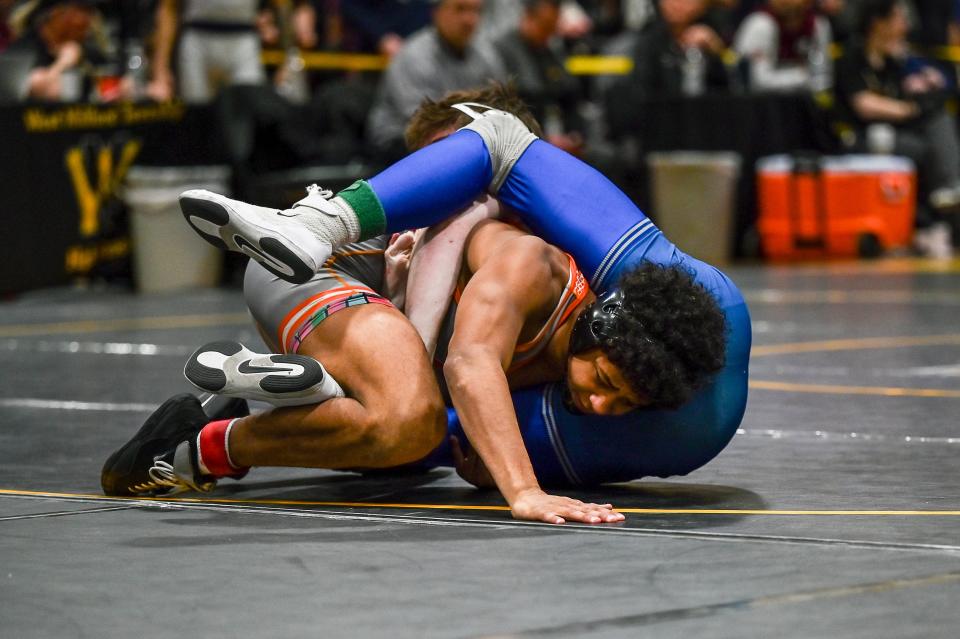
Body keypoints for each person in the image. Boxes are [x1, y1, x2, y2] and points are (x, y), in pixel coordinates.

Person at [102, 86, 750, 524]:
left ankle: (215, 435)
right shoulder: (531, 263)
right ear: (594, 331)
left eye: (623, 404)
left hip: (373, 318)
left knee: (407, 434)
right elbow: (470, 365)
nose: (604, 406)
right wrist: (522, 488)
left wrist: (490, 460)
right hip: (311, 276)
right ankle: (279, 385)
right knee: (413, 414)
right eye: (607, 382)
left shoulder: (572, 273)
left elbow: (470, 416)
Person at [834, 0, 960, 257]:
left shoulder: (894, 60)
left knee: (937, 119)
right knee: (918, 150)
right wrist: (906, 110)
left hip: (894, 130)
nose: (905, 25)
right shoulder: (852, 56)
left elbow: (924, 86)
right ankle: (928, 216)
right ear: (879, 23)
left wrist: (920, 81)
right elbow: (863, 104)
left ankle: (948, 190)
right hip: (859, 136)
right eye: (898, 19)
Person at [364, 0, 504, 159]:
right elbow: (423, 120)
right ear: (436, 12)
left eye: (476, 11)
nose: (469, 19)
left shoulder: (487, 55)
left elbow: (499, 107)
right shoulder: (413, 55)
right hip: (401, 140)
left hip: (464, 138)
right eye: (460, 9)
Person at [494, 0, 586, 156]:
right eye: (545, 26)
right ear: (528, 17)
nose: (549, 34)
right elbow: (507, 108)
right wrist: (545, 139)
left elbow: (570, 94)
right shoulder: (503, 51)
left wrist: (575, 135)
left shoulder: (549, 50)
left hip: (558, 138)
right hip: (521, 143)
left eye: (553, 28)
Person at [5, 0, 100, 101]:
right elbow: (42, 90)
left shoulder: (88, 50)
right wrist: (63, 63)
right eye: (82, 11)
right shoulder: (24, 50)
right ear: (56, 13)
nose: (88, 20)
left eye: (90, 13)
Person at [733, 0, 833, 92]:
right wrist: (802, 76)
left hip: (803, 102)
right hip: (759, 104)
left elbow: (823, 76)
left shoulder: (817, 24)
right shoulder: (760, 24)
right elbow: (758, 82)